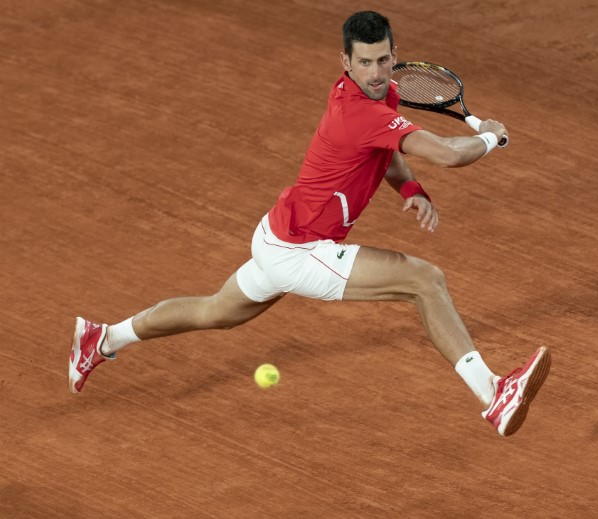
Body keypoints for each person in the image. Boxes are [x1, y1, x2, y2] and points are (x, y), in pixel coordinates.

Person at [68, 10, 551, 437]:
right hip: (300, 250)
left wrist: (410, 190)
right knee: (424, 280)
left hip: (276, 235)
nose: (377, 72)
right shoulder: (357, 113)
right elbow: (446, 154)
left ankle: (103, 338)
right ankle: (493, 395)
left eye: (383, 60)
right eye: (364, 62)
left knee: (215, 311)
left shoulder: (382, 96)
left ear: (393, 55)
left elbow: (385, 155)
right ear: (346, 63)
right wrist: (488, 139)